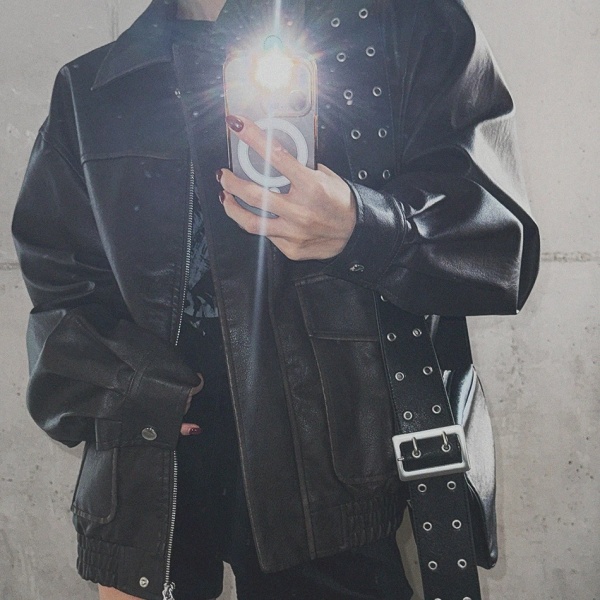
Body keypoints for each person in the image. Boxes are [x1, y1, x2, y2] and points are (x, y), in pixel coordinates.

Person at [12, 0, 540, 599]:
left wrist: (361, 227)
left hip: (335, 490)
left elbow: (502, 245)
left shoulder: (406, 27)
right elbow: (60, 286)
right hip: (146, 480)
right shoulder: (94, 87)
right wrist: (130, 392)